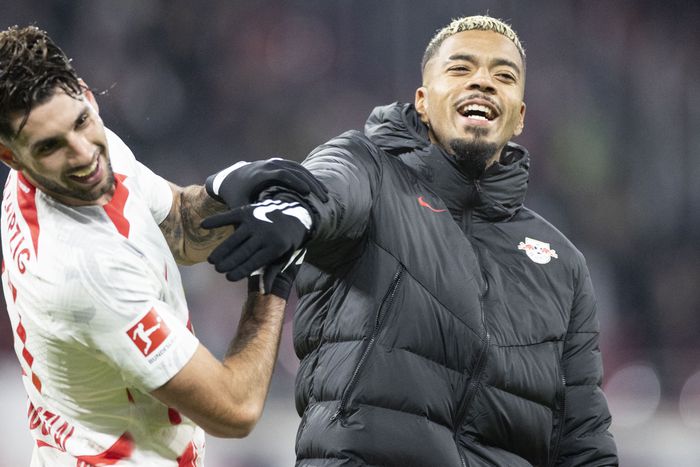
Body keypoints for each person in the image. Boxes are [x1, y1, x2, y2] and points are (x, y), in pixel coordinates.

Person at [204, 15, 619, 466]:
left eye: (504, 76)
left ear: (519, 116)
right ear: (422, 102)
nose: (483, 82)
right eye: (460, 69)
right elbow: (327, 186)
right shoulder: (370, 171)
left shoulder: (562, 264)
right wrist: (295, 208)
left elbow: (584, 440)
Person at [0, 25, 326, 466]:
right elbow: (235, 409)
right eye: (50, 147)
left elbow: (180, 227)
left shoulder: (89, 156)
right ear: (11, 157)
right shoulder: (83, 270)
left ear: (86, 94)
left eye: (81, 121)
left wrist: (225, 188)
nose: (83, 154)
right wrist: (274, 276)